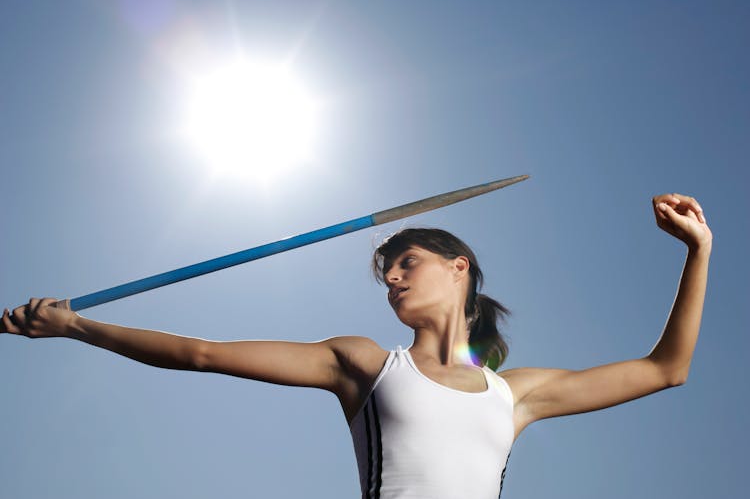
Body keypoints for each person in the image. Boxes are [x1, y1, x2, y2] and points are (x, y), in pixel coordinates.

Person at [1, 193, 712, 498]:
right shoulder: (366, 364)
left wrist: (697, 252)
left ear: (458, 266)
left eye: (408, 263)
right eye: (386, 273)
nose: (394, 279)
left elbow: (666, 369)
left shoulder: (515, 393)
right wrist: (77, 327)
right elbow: (203, 353)